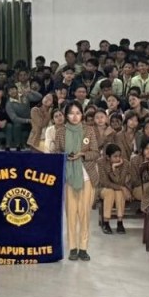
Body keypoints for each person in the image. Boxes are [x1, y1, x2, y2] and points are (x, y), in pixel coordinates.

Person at [53, 102, 100, 261]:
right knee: (71, 214)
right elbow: (56, 152)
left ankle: (83, 248)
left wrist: (81, 154)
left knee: (84, 214)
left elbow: (95, 153)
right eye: (71, 113)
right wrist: (65, 156)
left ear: (82, 115)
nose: (75, 116)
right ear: (66, 115)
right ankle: (73, 248)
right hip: (68, 177)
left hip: (86, 176)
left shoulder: (89, 130)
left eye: (78, 113)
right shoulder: (60, 131)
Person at [97, 144, 134, 235]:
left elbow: (120, 181)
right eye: (115, 156)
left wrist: (114, 169)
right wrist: (122, 187)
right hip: (103, 189)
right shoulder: (100, 162)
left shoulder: (125, 163)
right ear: (108, 157)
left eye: (119, 156)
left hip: (119, 189)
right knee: (110, 192)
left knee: (119, 192)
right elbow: (105, 182)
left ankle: (120, 222)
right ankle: (106, 223)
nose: (118, 159)